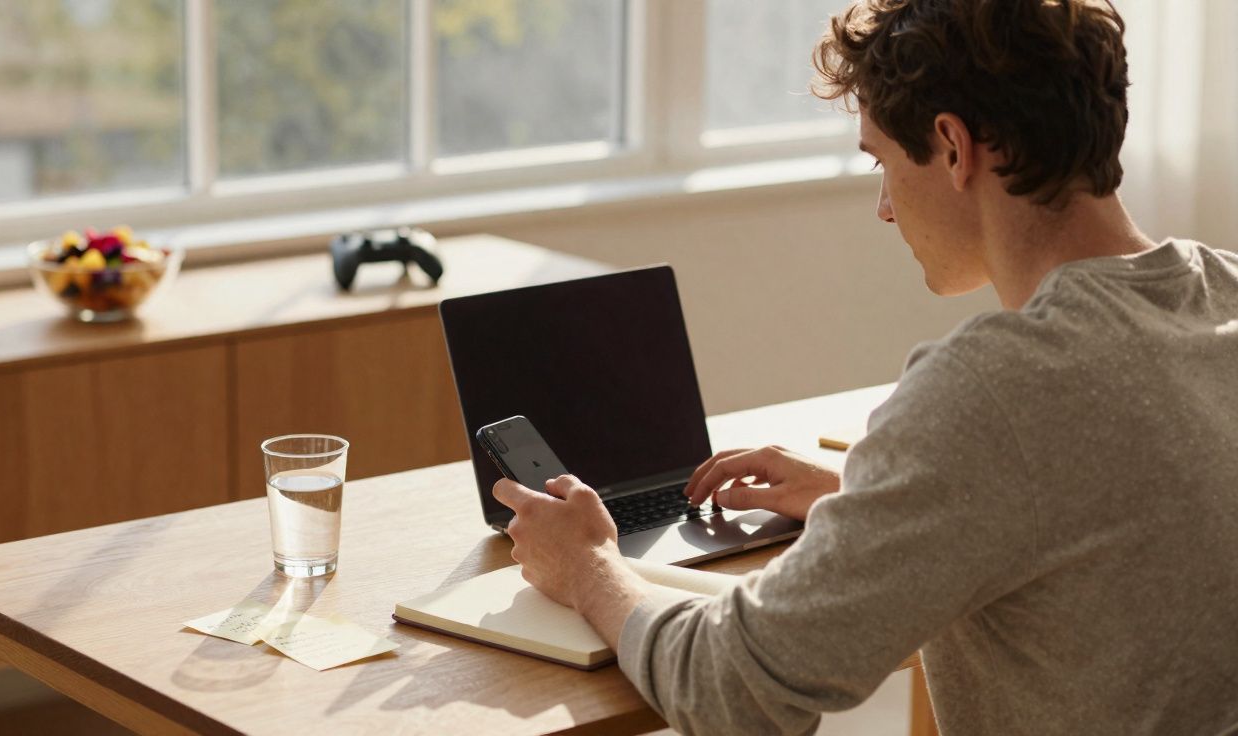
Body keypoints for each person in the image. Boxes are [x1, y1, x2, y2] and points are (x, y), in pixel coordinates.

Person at [492, 0, 1238, 733]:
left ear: (953, 147)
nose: (884, 207)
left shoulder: (989, 393)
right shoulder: (1224, 299)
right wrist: (868, 497)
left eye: (881, 160)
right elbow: (1114, 503)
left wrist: (588, 565)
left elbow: (733, 689)